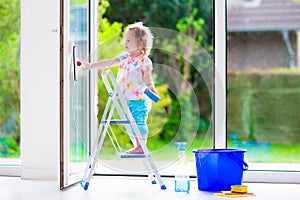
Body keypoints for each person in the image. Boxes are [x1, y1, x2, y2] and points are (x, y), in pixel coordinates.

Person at [84, 22, 158, 154]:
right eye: (125, 40)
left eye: (129, 40)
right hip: (128, 98)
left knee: (139, 120)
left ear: (140, 44)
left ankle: (141, 147)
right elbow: (109, 62)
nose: (125, 43)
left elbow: (147, 79)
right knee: (130, 122)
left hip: (140, 98)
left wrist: (151, 87)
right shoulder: (125, 57)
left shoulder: (144, 61)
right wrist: (91, 66)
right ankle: (138, 145)